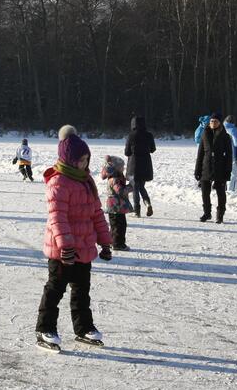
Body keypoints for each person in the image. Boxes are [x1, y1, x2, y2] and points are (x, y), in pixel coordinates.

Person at [35, 125, 113, 351]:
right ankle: (45, 328)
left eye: (87, 159)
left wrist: (105, 241)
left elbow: (96, 213)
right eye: (81, 160)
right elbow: (57, 218)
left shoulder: (86, 181)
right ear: (69, 160)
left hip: (84, 247)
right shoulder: (58, 183)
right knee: (55, 289)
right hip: (63, 250)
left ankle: (83, 328)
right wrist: (66, 246)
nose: (85, 164)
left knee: (82, 291)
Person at [195, 113, 233, 223]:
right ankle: (207, 213)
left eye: (215, 121)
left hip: (220, 167)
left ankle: (220, 214)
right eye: (211, 121)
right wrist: (197, 170)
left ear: (220, 123)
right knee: (204, 192)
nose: (213, 123)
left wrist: (228, 171)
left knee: (221, 192)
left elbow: (229, 155)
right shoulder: (204, 134)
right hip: (206, 167)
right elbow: (200, 154)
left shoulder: (225, 136)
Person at [124, 116, 156, 217]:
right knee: (141, 186)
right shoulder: (149, 135)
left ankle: (137, 211)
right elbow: (153, 149)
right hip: (146, 165)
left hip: (134, 165)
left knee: (135, 188)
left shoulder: (131, 135)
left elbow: (127, 152)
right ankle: (148, 203)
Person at [102, 155, 133, 251]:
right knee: (119, 226)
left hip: (115, 206)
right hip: (116, 206)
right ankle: (118, 244)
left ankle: (112, 241)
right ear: (116, 168)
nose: (123, 168)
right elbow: (120, 191)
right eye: (121, 167)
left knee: (115, 225)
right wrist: (131, 186)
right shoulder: (115, 179)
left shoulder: (115, 177)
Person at [223, 115, 237, 192]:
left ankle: (223, 187)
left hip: (222, 154)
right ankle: (232, 189)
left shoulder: (220, 128)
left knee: (223, 172)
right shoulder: (233, 129)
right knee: (233, 173)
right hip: (232, 154)